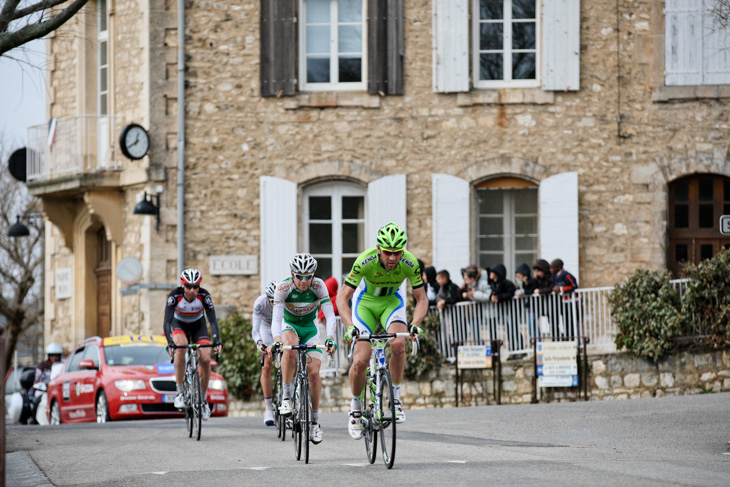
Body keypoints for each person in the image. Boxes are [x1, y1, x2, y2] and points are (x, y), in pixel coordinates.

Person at [337, 222, 427, 440]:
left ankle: (395, 399)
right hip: (365, 304)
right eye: (388, 252)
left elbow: (422, 298)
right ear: (379, 249)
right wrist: (350, 326)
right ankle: (356, 408)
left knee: (398, 343)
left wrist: (416, 323)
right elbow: (342, 297)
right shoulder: (364, 261)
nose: (393, 258)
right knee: (360, 361)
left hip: (391, 302)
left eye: (397, 253)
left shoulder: (410, 262)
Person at [270, 253, 336, 445]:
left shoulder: (319, 286)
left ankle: (314, 422)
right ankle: (286, 397)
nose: (304, 280)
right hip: (290, 326)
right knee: (288, 349)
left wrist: (330, 337)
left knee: (314, 373)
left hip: (310, 329)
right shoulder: (283, 288)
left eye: (308, 276)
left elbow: (330, 316)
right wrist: (276, 339)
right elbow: (276, 320)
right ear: (292, 274)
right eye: (300, 276)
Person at [163, 268, 221, 421]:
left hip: (197, 325)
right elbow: (167, 321)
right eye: (189, 286)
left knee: (206, 359)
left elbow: (212, 320)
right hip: (179, 324)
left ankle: (202, 401)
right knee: (181, 347)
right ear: (183, 285)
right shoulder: (174, 296)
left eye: (196, 286)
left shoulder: (204, 295)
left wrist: (216, 340)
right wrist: (170, 343)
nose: (193, 290)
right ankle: (180, 392)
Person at [252, 280, 277, 426]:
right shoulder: (260, 303)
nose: (274, 303)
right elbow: (255, 330)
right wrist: (260, 344)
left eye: (277, 300)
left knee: (291, 358)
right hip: (266, 328)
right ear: (267, 298)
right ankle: (268, 408)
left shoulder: (286, 301)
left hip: (281, 326)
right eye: (272, 300)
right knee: (266, 366)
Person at [550, 258, 580, 340]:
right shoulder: (553, 276)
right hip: (563, 302)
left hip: (571, 302)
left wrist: (561, 289)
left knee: (572, 322)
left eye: (552, 268)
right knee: (565, 322)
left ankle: (574, 341)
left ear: (559, 267)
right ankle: (567, 339)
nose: (551, 270)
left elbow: (574, 286)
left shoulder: (567, 275)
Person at [514, 263, 539, 342]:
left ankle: (538, 343)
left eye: (519, 273)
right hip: (528, 308)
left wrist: (522, 292)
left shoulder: (530, 281)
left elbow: (531, 291)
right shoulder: (520, 283)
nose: (517, 275)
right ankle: (536, 343)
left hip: (533, 307)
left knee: (532, 327)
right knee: (531, 327)